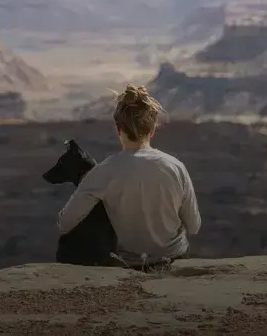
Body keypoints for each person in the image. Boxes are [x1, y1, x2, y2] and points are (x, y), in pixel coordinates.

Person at [56, 84, 201, 269]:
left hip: (130, 266)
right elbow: (194, 227)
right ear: (152, 130)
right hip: (175, 259)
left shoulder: (103, 172)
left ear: (118, 129)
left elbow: (65, 223)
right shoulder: (176, 167)